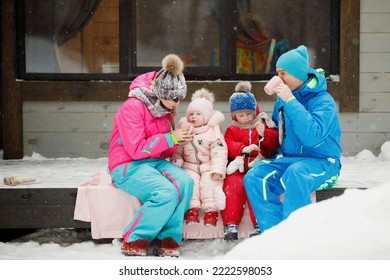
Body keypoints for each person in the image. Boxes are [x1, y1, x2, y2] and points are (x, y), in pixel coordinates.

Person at [244, 45, 342, 233]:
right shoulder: (282, 99)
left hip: (323, 163)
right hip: (290, 159)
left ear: (298, 74)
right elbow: (279, 138)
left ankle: (295, 235)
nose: (278, 79)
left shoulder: (323, 101)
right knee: (255, 177)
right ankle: (273, 233)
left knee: (295, 173)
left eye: (283, 74)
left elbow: (312, 137)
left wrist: (291, 102)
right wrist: (266, 134)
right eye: (277, 73)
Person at [107, 54, 194, 257]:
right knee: (165, 192)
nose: (177, 103)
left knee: (185, 182)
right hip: (127, 164)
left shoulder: (164, 108)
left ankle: (168, 238)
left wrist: (179, 142)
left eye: (180, 98)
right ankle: (134, 238)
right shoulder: (132, 107)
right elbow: (136, 149)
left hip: (153, 162)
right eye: (174, 98)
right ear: (161, 92)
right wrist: (171, 138)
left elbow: (162, 147)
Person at [222, 81, 279, 240]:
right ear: (234, 116)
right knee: (233, 185)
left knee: (255, 186)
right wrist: (241, 148)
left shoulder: (262, 124)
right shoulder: (232, 130)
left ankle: (260, 223)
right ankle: (230, 224)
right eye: (241, 115)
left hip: (258, 166)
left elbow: (274, 143)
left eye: (249, 113)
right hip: (238, 167)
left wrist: (264, 134)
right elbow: (227, 144)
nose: (246, 117)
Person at [171, 88, 228, 227]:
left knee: (209, 184)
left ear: (207, 117)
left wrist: (218, 169)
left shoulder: (212, 132)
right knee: (191, 184)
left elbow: (219, 151)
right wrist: (177, 158)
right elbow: (178, 147)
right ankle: (192, 211)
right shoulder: (185, 130)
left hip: (208, 165)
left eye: (198, 114)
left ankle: (211, 212)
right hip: (189, 165)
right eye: (191, 114)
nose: (193, 117)